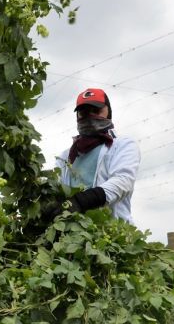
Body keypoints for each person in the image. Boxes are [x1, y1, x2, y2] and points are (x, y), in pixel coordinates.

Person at [53, 88, 140, 223]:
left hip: (112, 234)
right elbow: (56, 189)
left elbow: (123, 181)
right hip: (72, 236)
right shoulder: (66, 157)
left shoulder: (122, 145)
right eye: (84, 113)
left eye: (96, 111)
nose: (90, 116)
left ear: (108, 112)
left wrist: (82, 201)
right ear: (77, 117)